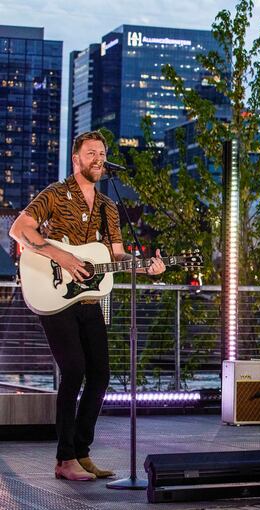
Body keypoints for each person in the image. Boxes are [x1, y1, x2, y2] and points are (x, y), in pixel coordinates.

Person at [9, 131, 165, 481]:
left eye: (103, 153)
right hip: (54, 295)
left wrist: (147, 266)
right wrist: (60, 255)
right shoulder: (55, 194)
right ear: (76, 159)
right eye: (91, 152)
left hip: (90, 297)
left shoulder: (109, 207)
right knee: (74, 369)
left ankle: (81, 452)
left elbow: (117, 254)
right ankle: (64, 459)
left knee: (100, 374)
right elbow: (19, 229)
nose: (98, 157)